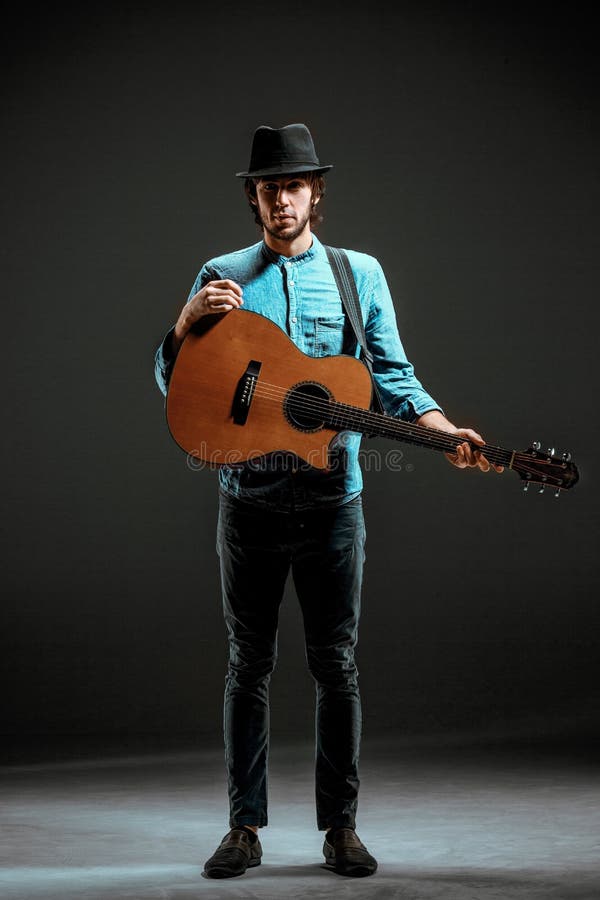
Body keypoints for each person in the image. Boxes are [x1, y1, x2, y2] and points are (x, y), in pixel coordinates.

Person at [154, 123, 502, 879]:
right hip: (248, 501)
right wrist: (184, 325)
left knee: (335, 666)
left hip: (333, 504)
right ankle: (243, 828)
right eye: (269, 187)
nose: (282, 198)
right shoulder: (221, 272)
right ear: (255, 198)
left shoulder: (358, 275)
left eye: (295, 185)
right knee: (248, 665)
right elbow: (174, 385)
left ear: (315, 194)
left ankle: (340, 828)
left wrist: (447, 434)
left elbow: (394, 378)